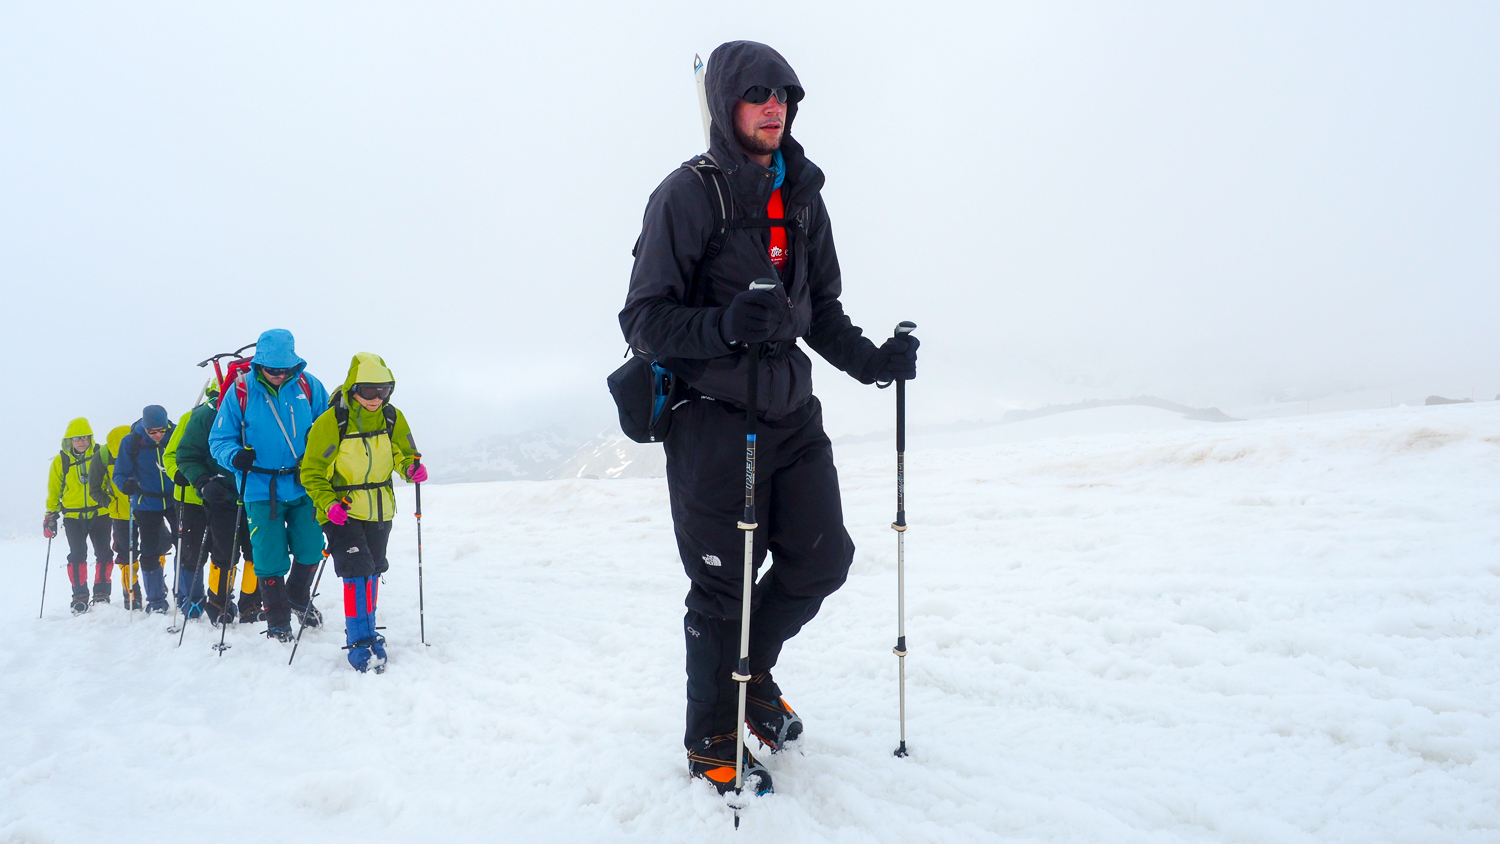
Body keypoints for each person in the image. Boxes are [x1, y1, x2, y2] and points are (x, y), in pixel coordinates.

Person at [619, 41, 920, 794]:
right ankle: (711, 737)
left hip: (790, 413)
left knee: (824, 559)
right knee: (725, 591)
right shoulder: (686, 196)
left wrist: (874, 361)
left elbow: (822, 314)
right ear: (727, 104)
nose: (774, 105)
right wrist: (725, 323)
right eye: (757, 93)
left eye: (785, 93)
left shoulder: (803, 195)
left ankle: (749, 677)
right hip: (713, 422)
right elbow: (643, 319)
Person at [300, 353, 425, 672]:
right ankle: (359, 641)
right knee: (356, 572)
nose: (376, 398)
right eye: (369, 391)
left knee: (372, 570)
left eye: (383, 391)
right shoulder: (331, 422)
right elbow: (312, 471)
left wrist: (411, 469)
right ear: (353, 388)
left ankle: (368, 632)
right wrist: (328, 504)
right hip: (342, 510)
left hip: (380, 508)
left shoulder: (392, 417)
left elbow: (404, 454)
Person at [209, 329, 330, 642]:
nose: (278, 375)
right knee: (268, 556)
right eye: (272, 369)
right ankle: (277, 620)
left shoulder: (310, 386)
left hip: (305, 484)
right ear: (259, 363)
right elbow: (219, 439)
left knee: (311, 548)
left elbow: (329, 432)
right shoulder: (240, 390)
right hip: (260, 487)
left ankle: (298, 595)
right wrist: (235, 457)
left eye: (284, 369)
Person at [175, 380, 260, 624]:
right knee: (225, 553)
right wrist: (203, 482)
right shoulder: (205, 416)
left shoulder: (262, 409)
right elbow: (186, 455)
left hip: (259, 495)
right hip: (222, 497)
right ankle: (218, 602)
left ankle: (251, 602)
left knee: (257, 552)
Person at [113, 406, 178, 614]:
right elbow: (119, 473)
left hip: (176, 499)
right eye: (152, 432)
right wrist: (125, 485)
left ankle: (185, 595)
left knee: (186, 546)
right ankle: (156, 600)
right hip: (146, 502)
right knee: (149, 550)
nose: (158, 435)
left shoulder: (177, 435)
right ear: (144, 426)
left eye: (162, 430)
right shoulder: (131, 442)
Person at [44, 418, 112, 614]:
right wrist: (51, 513)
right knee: (77, 555)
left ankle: (102, 593)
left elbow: (111, 479)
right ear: (69, 440)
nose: (81, 442)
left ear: (90, 438)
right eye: (76, 438)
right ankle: (79, 595)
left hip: (101, 513)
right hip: (73, 516)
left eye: (85, 437)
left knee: (104, 553)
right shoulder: (61, 460)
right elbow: (54, 489)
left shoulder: (101, 453)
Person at [164, 400, 210, 617]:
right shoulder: (189, 419)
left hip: (225, 497)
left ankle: (221, 598)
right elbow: (170, 455)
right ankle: (192, 598)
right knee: (191, 552)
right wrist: (177, 473)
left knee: (224, 552)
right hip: (190, 497)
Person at [96, 425, 140, 607]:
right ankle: (131, 594)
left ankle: (156, 591)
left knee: (157, 548)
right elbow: (95, 489)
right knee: (126, 554)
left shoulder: (142, 449)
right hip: (121, 515)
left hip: (146, 509)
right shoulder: (104, 455)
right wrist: (111, 504)